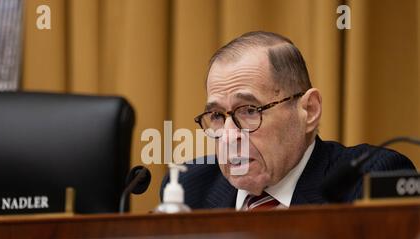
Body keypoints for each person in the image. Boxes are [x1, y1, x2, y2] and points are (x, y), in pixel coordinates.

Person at [161, 31, 415, 210]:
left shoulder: (367, 181)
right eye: (217, 116)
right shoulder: (188, 187)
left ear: (309, 110)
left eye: (249, 110)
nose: (228, 136)